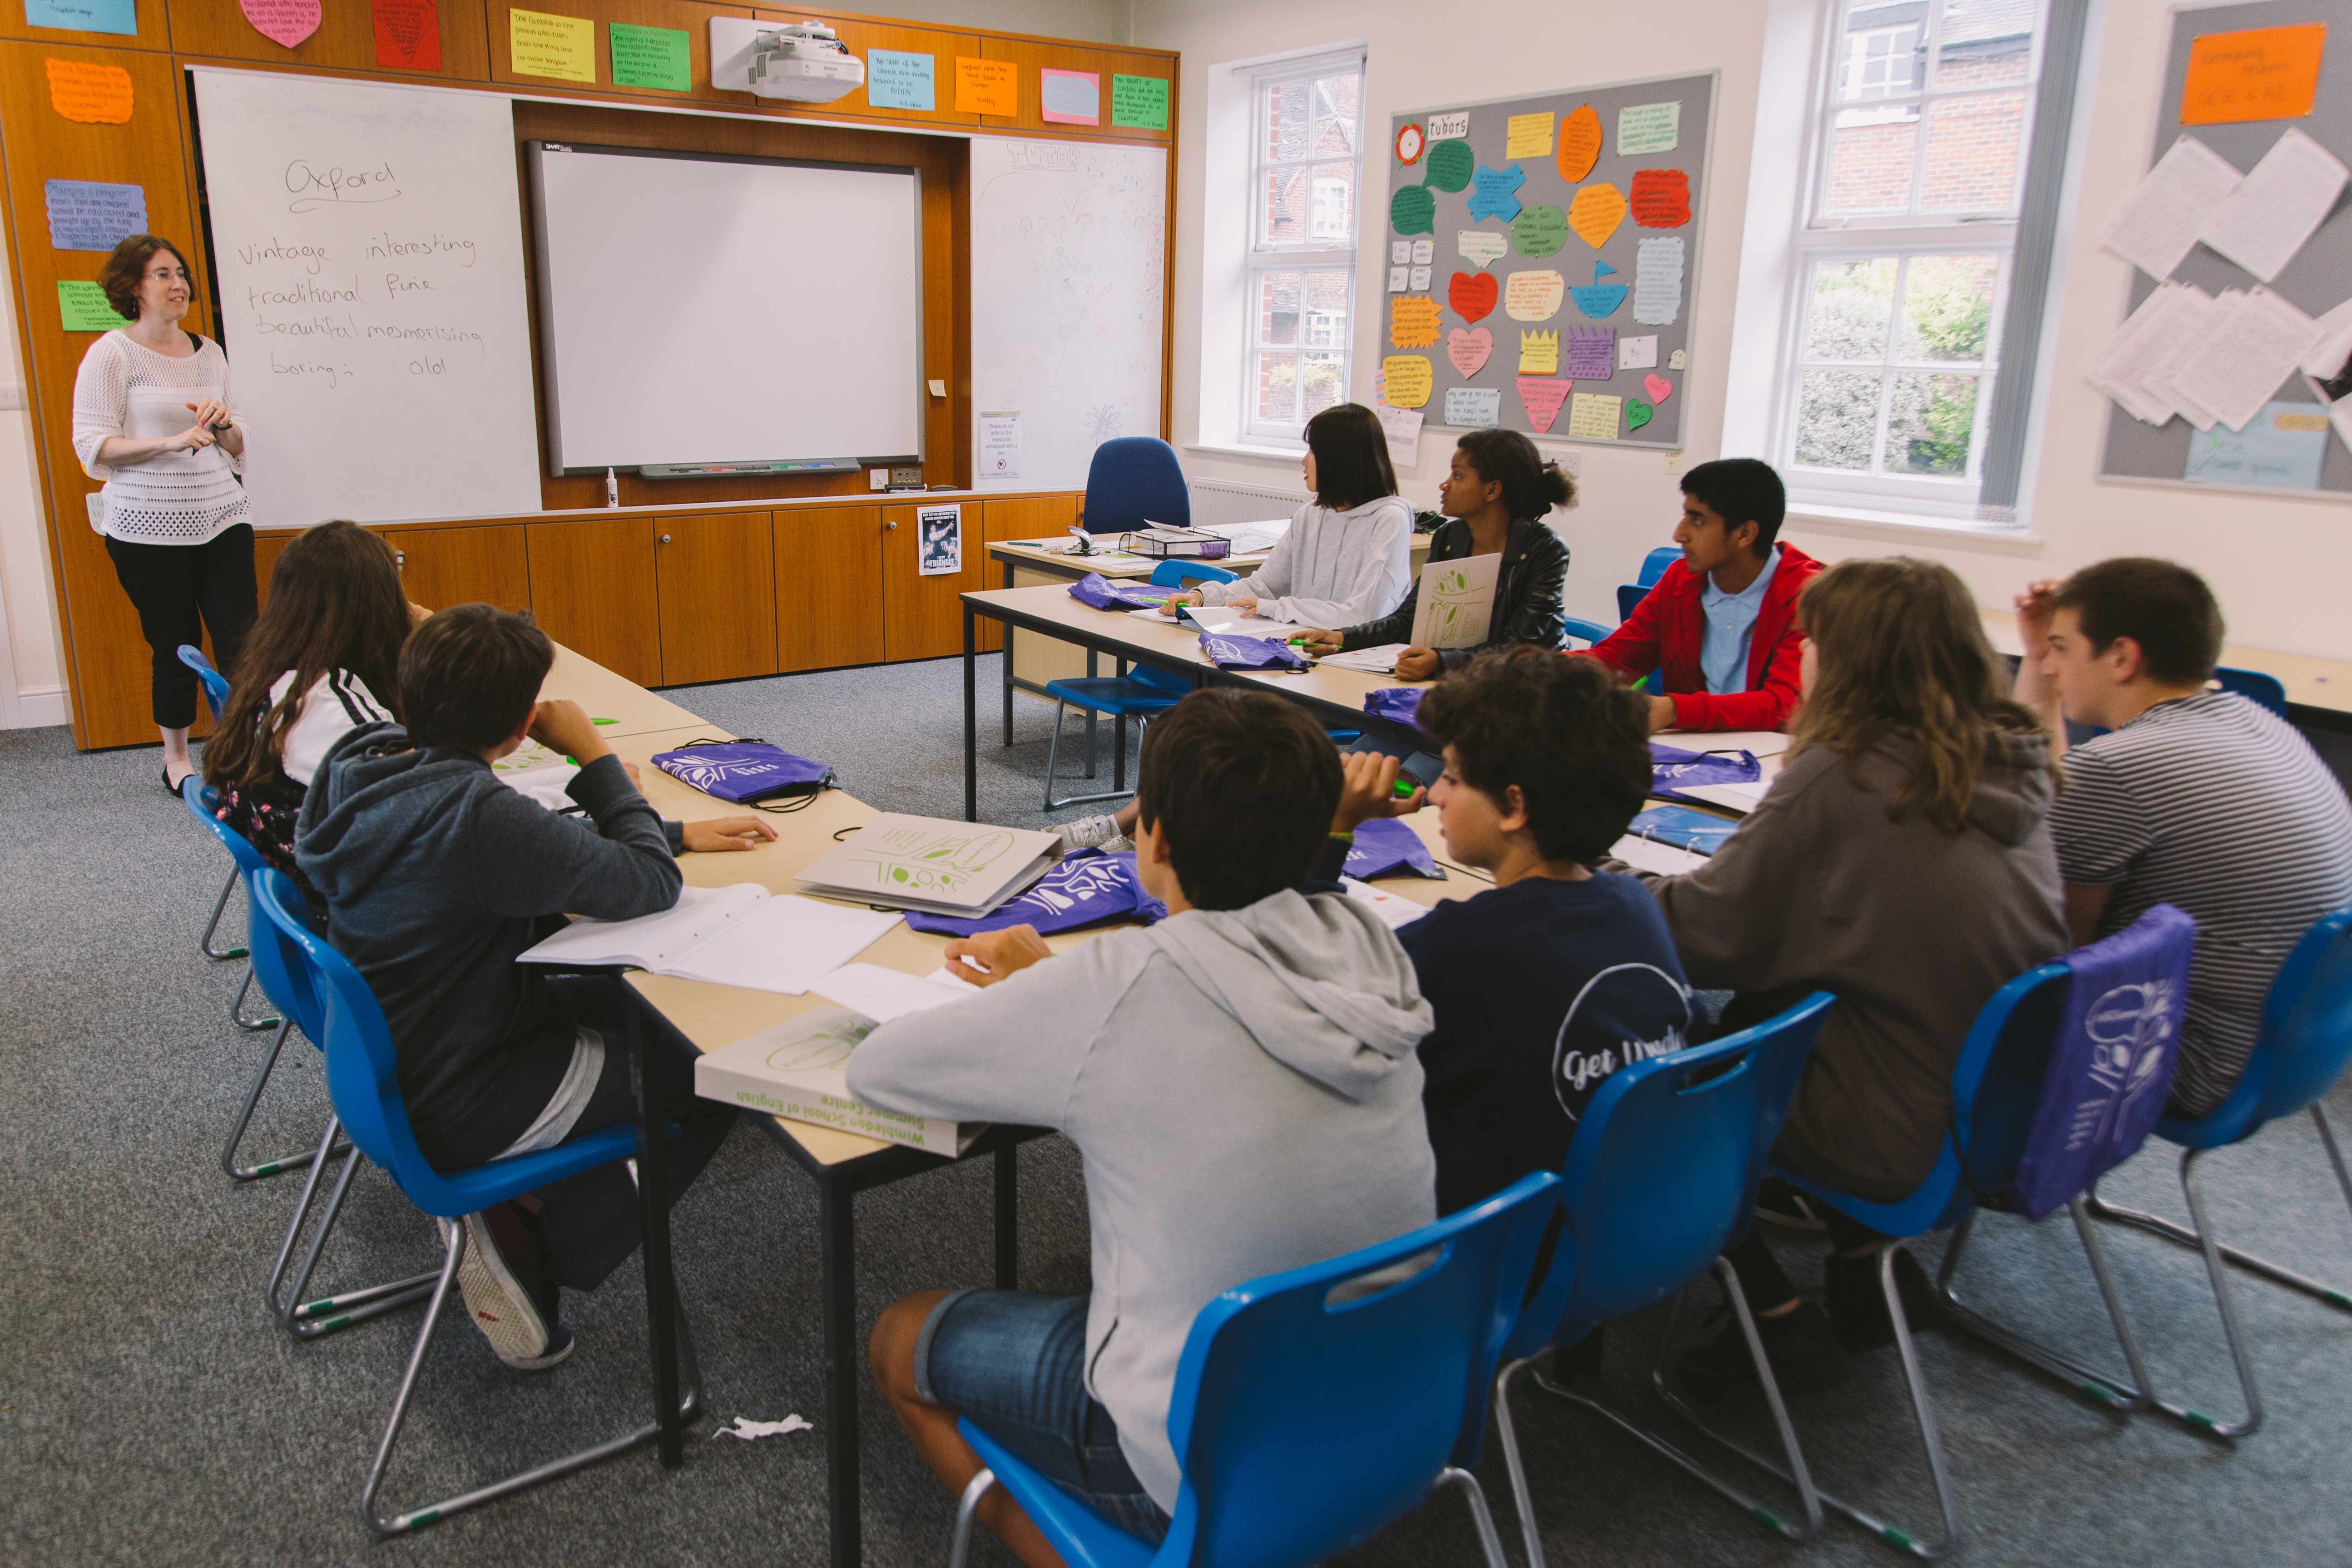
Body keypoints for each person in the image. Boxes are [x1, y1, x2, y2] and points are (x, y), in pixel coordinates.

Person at [853, 689, 1438, 1563]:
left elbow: (879, 1070)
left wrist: (1039, 995)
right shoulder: (1368, 939)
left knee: (901, 1333)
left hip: (1198, 1458)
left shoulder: (1122, 983)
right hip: (1398, 1408)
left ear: (1152, 837)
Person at [1614, 559, 2066, 1397]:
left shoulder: (1846, 773)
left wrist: (1599, 874)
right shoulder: (2003, 756)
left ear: (1852, 661)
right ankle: (1864, 1262)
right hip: (1999, 1103)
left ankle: (1773, 1317)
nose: (1801, 656)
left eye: (1810, 640)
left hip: (1900, 1123)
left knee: (1643, 1063)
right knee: (1766, 1000)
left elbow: (1701, 934)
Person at [296, 606, 740, 1371]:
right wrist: (594, 755)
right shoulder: (476, 815)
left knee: (626, 1004)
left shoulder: (362, 768)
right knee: (714, 1065)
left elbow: (532, 850)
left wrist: (660, 828)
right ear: (518, 723)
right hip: (470, 1089)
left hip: (405, 1055)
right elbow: (648, 885)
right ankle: (532, 1230)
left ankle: (528, 1208)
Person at [207, 522, 775, 905]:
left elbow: (462, 801)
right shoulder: (338, 718)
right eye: (394, 592)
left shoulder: (289, 681)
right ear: (371, 606)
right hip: (392, 923)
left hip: (367, 908)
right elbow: (481, 819)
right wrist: (602, 782)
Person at [2014, 559, 2352, 1118]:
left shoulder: (2120, 769)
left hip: (2191, 1063)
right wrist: (2037, 653)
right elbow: (2062, 794)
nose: (2050, 667)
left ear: (2122, 657)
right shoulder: (2252, 720)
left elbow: (2051, 951)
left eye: (2061, 649)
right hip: (2296, 1054)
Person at [71, 235, 255, 795]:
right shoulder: (112, 353)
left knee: (242, 643)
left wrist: (223, 424)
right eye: (163, 275)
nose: (179, 285)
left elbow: (238, 444)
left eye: (181, 274)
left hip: (222, 518)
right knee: (174, 642)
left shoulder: (210, 351)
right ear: (132, 287)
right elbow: (93, 448)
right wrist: (169, 442)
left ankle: (242, 756)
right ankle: (176, 758)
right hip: (145, 528)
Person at [1292, 429, 1573, 681]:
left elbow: (1520, 646)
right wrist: (1342, 637)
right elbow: (1409, 618)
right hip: (1461, 681)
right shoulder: (1451, 537)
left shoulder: (1544, 549)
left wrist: (1442, 661)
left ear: (1493, 489)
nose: (1445, 485)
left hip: (1528, 690)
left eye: (1459, 476)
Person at [1576, 457, 1822, 734]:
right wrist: (1549, 668)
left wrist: (1672, 710)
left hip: (1772, 761)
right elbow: (1619, 657)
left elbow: (1783, 706)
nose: (1679, 534)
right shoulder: (1680, 580)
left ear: (1744, 533)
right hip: (1691, 756)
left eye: (1698, 520)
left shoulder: (1810, 596)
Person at [1159, 402, 1413, 627]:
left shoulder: (1389, 520)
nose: (1304, 461)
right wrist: (1201, 597)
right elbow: (1264, 586)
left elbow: (1364, 614)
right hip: (1302, 642)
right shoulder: (1309, 516)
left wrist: (1274, 608)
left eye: (1313, 451)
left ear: (1340, 459)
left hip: (1356, 654)